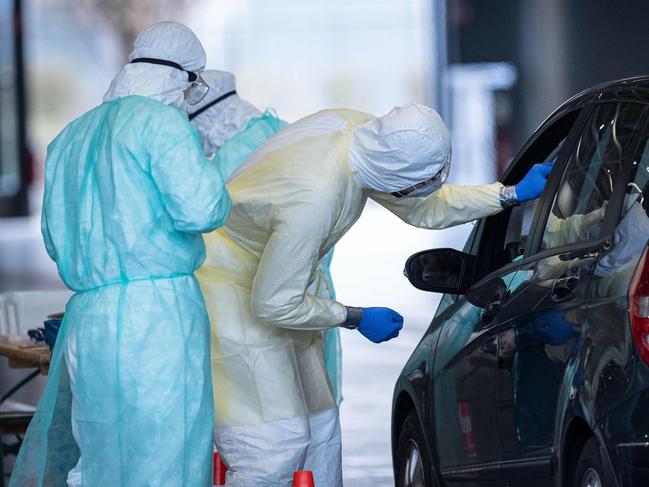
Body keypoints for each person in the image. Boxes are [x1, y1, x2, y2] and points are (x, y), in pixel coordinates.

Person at [195, 102, 551, 486]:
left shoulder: (361, 135)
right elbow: (273, 303)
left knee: (320, 429)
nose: (426, 185)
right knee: (272, 447)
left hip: (279, 277)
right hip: (231, 290)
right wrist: (355, 317)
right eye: (422, 179)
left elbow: (422, 204)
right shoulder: (316, 197)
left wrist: (507, 195)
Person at [9, 22, 231, 487]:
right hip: (156, 317)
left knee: (100, 458)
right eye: (195, 85)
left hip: (88, 319)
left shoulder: (70, 136)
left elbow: (53, 238)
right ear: (182, 78)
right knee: (168, 453)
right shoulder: (161, 124)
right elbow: (203, 208)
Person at [188, 70, 345, 405]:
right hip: (307, 292)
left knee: (268, 415)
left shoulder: (232, 158)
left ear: (207, 117)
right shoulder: (282, 132)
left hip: (253, 303)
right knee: (311, 405)